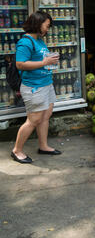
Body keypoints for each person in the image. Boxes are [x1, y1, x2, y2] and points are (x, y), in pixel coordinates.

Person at [11, 11, 61, 164]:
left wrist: (49, 61)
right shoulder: (26, 42)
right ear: (37, 24)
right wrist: (45, 62)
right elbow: (20, 64)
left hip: (45, 84)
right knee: (33, 120)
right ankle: (17, 151)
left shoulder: (38, 40)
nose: (47, 29)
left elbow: (41, 59)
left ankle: (43, 146)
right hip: (34, 87)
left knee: (45, 116)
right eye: (46, 26)